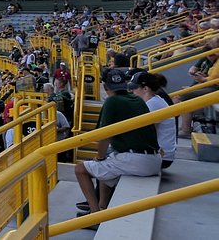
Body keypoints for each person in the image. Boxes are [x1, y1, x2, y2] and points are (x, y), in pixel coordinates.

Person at [74, 67, 161, 217]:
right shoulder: (137, 99)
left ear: (105, 87)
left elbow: (103, 136)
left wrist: (100, 157)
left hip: (137, 160)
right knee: (106, 171)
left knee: (80, 169)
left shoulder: (112, 101)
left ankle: (94, 217)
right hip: (154, 159)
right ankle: (101, 208)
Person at [130, 71, 176, 169]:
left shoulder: (153, 104)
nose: (132, 91)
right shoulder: (154, 100)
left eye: (134, 88)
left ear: (145, 89)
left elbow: (144, 133)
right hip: (161, 154)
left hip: (162, 157)